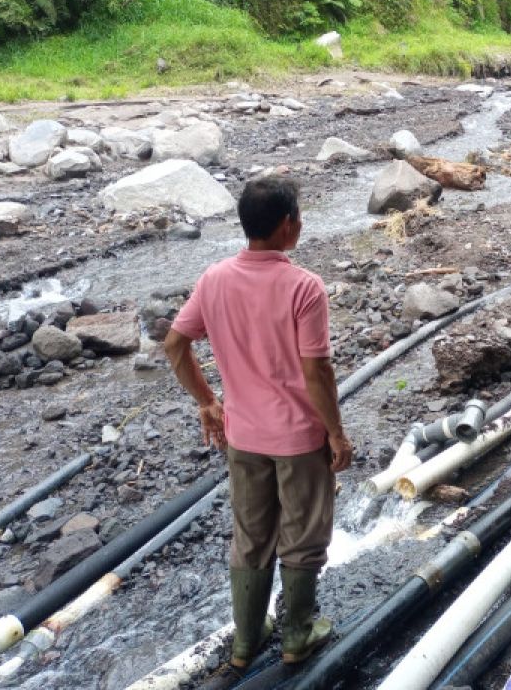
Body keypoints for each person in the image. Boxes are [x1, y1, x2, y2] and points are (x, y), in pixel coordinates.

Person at [164, 175, 353, 681]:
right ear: (288, 226)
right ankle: (296, 636)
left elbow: (175, 345)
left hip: (242, 437)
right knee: (303, 536)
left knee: (250, 537)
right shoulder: (303, 286)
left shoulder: (214, 278)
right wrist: (336, 433)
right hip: (297, 438)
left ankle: (246, 642)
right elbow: (317, 370)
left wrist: (207, 402)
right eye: (300, 217)